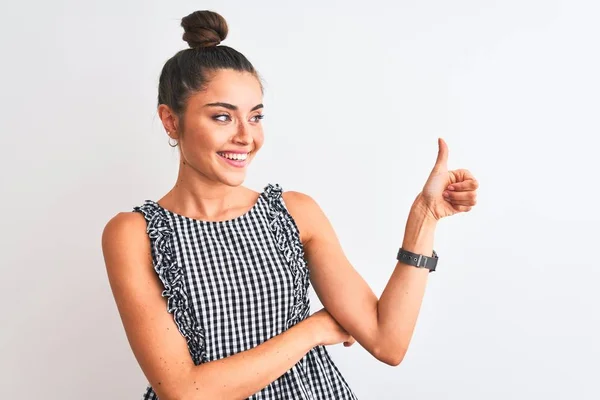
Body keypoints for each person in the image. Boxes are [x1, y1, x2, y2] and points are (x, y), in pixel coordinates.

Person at [101, 9, 479, 400]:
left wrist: (425, 217)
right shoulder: (134, 234)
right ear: (171, 121)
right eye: (221, 117)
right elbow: (185, 392)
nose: (246, 136)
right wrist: (312, 331)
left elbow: (388, 341)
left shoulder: (294, 212)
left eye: (256, 116)